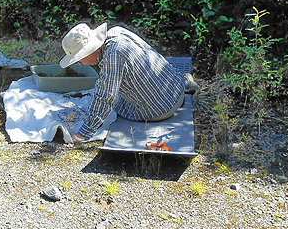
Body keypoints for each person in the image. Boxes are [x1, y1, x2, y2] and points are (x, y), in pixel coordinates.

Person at [59, 22, 198, 143]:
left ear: (89, 50)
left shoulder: (112, 56)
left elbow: (105, 98)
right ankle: (185, 82)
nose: (80, 63)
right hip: (175, 88)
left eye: (79, 59)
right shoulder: (117, 32)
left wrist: (83, 133)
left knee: (113, 101)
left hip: (159, 109)